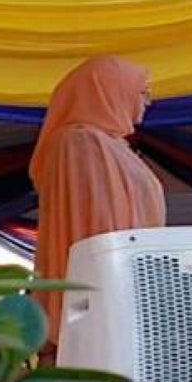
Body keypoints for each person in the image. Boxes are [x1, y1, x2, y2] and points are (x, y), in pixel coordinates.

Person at [29, 56, 166, 349]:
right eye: (142, 92)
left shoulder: (113, 146)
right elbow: (94, 223)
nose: (147, 102)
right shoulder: (80, 142)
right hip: (104, 286)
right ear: (109, 90)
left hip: (124, 281)